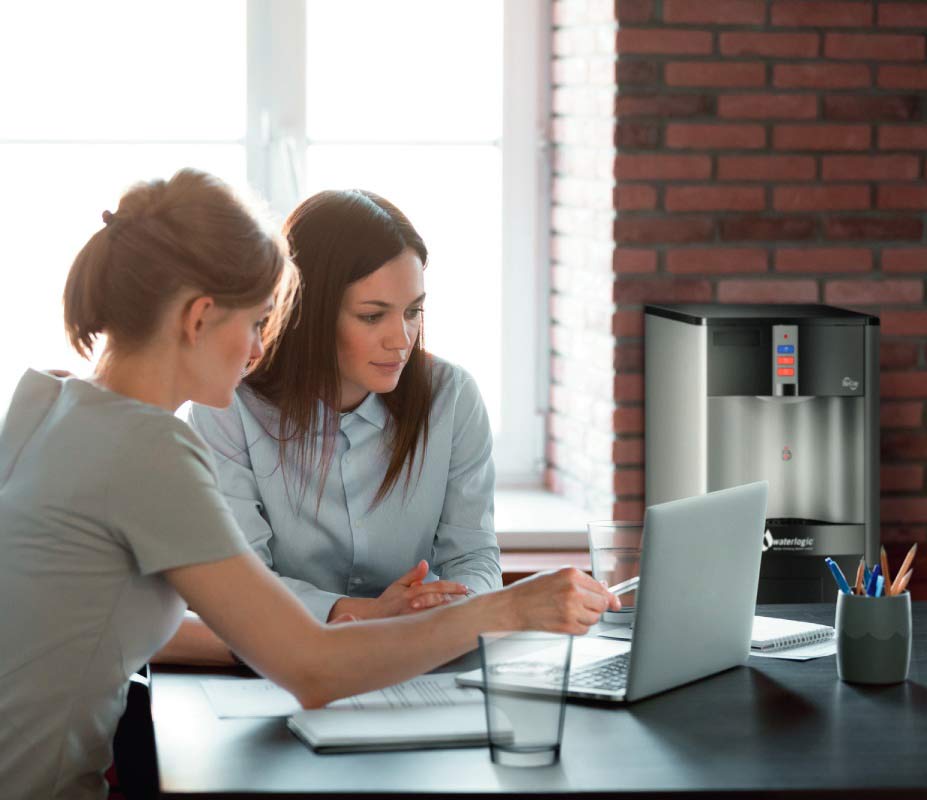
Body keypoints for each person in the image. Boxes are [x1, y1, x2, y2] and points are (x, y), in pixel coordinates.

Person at [0, 169, 619, 800]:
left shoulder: (47, 402)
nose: (260, 350)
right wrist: (510, 608)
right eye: (258, 322)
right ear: (199, 319)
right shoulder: (153, 449)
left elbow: (92, 627)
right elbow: (312, 670)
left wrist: (330, 628)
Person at [186, 189, 499, 626]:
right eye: (373, 316)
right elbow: (239, 581)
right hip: (273, 661)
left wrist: (446, 607)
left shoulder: (453, 397)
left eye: (412, 312)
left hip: (420, 655)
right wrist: (364, 614)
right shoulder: (228, 405)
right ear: (308, 311)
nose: (402, 339)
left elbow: (476, 558)